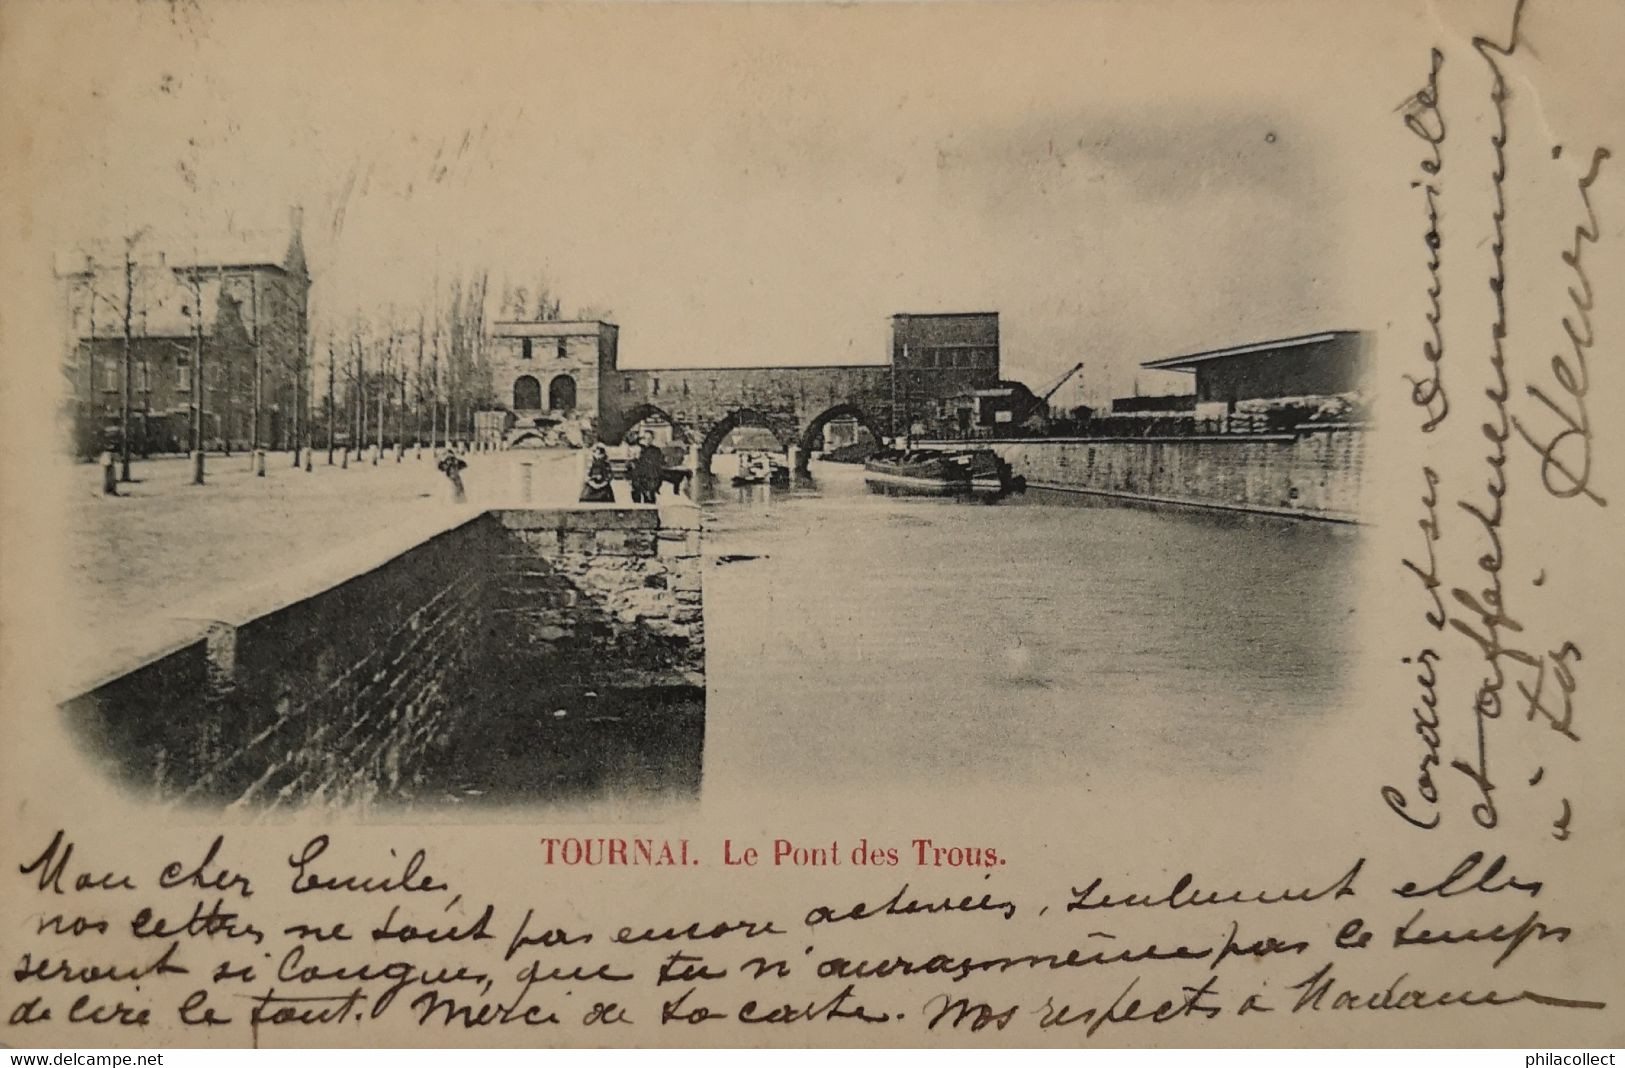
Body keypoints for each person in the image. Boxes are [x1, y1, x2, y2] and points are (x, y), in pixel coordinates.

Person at [631, 432, 666, 504]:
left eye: (649, 438)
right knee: (636, 497)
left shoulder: (656, 450)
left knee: (650, 498)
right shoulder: (638, 449)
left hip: (650, 477)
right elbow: (631, 463)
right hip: (638, 477)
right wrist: (635, 457)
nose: (647, 440)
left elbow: (659, 463)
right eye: (645, 438)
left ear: (652, 439)